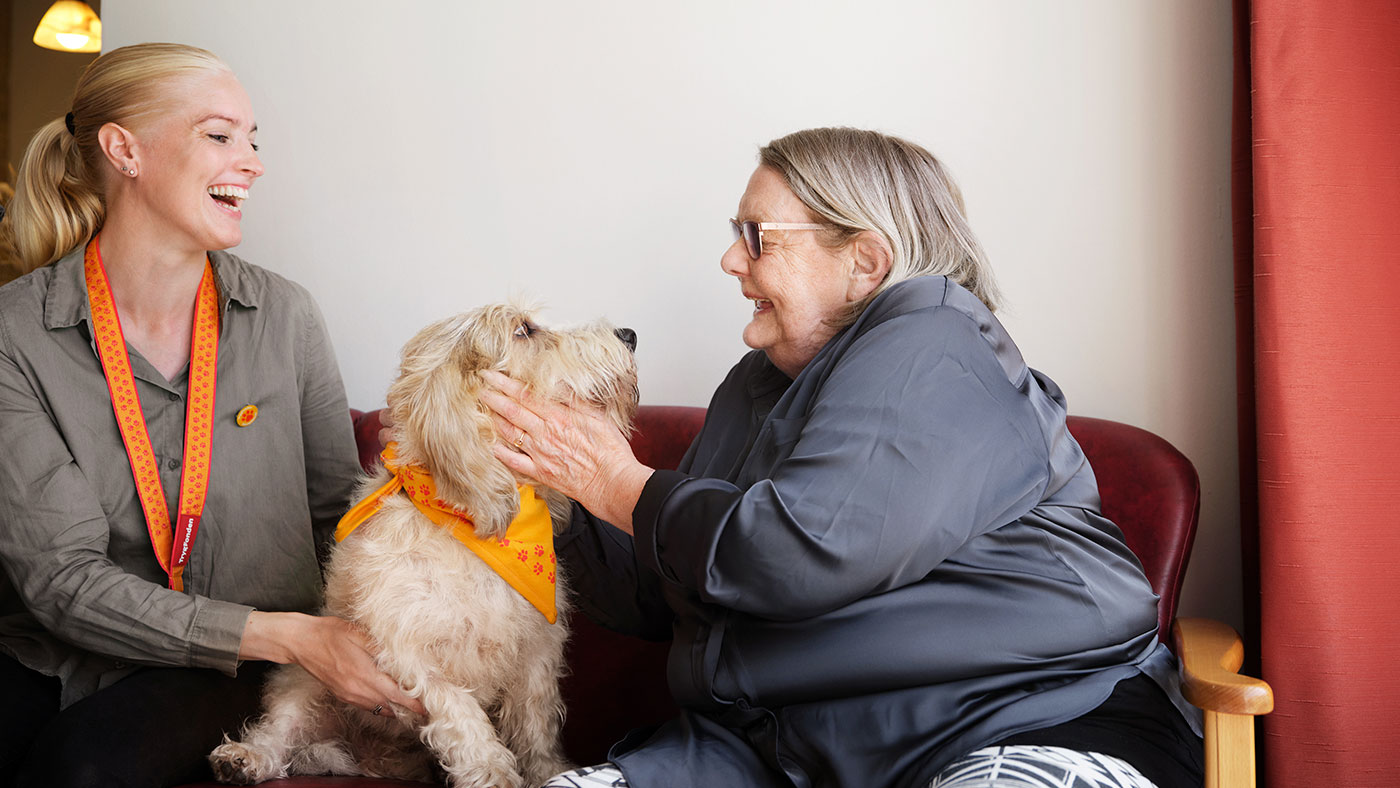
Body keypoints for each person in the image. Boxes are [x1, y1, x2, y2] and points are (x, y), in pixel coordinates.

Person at [483, 127, 1205, 788]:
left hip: (1015, 722)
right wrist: (537, 482)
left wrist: (613, 478)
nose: (731, 258)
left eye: (757, 236)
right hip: (774, 754)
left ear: (866, 261)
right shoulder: (759, 382)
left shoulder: (938, 345)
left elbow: (794, 554)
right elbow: (658, 589)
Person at [0, 43, 422, 788]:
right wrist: (285, 634)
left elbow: (338, 519)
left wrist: (410, 484)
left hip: (244, 661)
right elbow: (62, 580)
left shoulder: (284, 316)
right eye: (220, 135)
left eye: (252, 140)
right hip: (62, 649)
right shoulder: (15, 332)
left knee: (83, 769)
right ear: (124, 149)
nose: (252, 162)